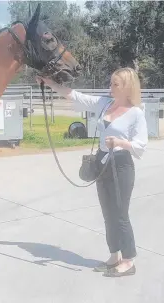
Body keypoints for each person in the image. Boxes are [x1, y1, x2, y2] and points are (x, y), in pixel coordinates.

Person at [36, 67, 148, 277]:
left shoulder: (136, 112)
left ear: (127, 87)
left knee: (120, 214)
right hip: (101, 162)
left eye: (115, 84)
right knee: (107, 214)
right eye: (111, 83)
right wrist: (49, 82)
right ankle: (114, 256)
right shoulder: (104, 103)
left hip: (121, 165)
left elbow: (141, 144)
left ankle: (128, 260)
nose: (110, 87)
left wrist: (121, 142)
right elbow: (75, 96)